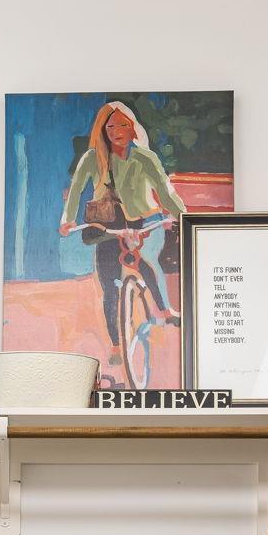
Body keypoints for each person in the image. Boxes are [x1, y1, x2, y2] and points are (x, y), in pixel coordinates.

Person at [58, 101, 186, 380]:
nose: (117, 131)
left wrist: (182, 216)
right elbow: (78, 188)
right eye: (111, 126)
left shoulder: (146, 158)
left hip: (140, 220)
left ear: (133, 127)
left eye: (123, 125)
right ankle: (117, 344)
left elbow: (165, 191)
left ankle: (163, 310)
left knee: (145, 262)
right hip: (105, 224)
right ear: (102, 130)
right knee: (109, 286)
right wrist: (67, 220)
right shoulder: (93, 158)